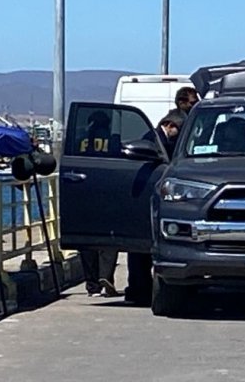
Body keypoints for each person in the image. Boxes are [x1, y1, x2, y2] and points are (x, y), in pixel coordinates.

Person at [126, 109, 185, 306]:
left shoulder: (161, 139)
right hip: (145, 197)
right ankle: (138, 287)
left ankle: (139, 287)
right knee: (140, 250)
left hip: (152, 198)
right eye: (179, 130)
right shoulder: (153, 140)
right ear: (170, 125)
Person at [79, 111, 119, 296]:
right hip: (108, 194)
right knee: (109, 238)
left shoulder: (79, 141)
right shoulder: (113, 141)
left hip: (84, 194)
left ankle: (92, 284)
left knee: (87, 242)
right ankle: (106, 275)